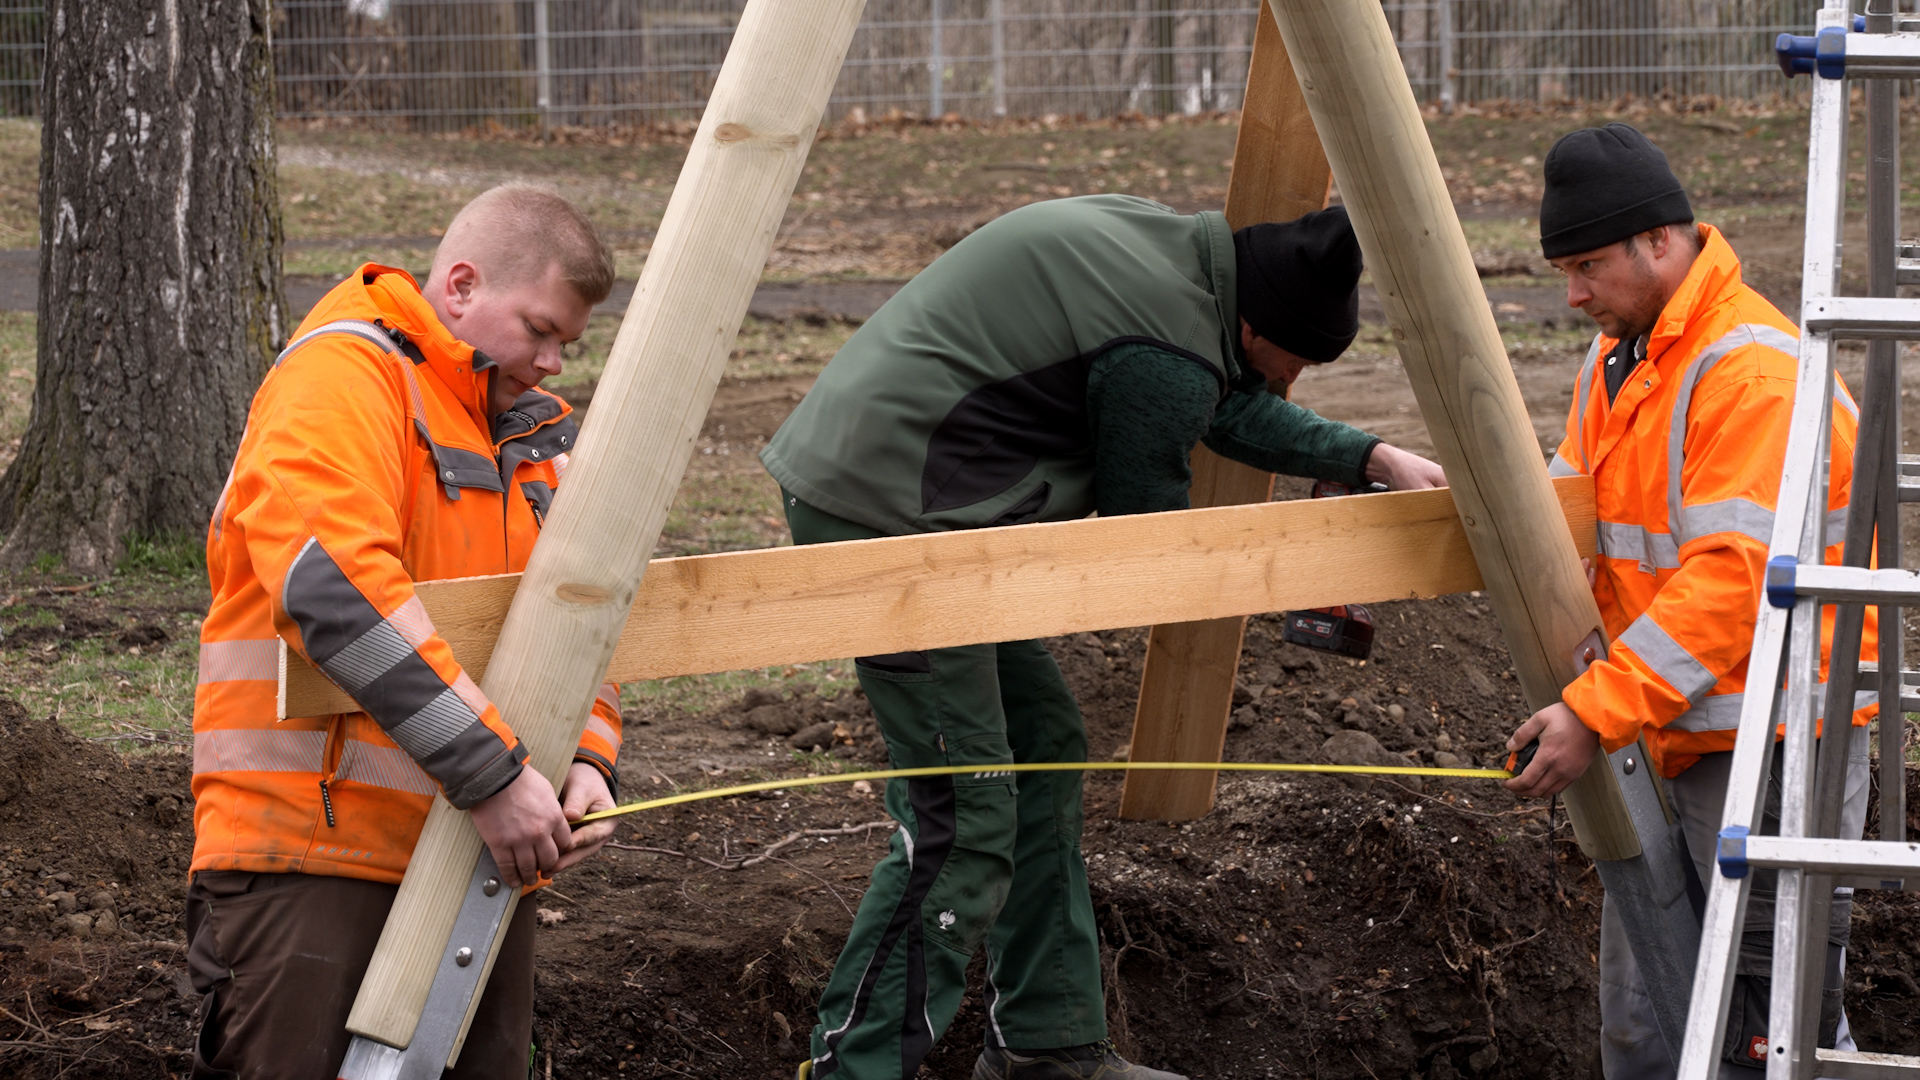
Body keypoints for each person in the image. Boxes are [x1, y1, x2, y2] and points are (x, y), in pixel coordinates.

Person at [760, 195, 1446, 1080]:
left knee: (1044, 744)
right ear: (1255, 325)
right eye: (1293, 363)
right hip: (891, 516)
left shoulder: (1176, 267)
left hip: (933, 501)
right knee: (967, 813)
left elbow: (1215, 403)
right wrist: (1302, 576)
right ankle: (857, 1070)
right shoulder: (1164, 349)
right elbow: (1144, 545)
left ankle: (1047, 1048)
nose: (1288, 382)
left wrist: (1367, 456)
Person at [186, 184, 626, 1079]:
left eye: (566, 345)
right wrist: (495, 774)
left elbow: (580, 610)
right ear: (459, 285)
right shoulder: (343, 378)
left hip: (478, 850)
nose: (551, 362)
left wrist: (585, 755)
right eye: (538, 330)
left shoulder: (531, 434)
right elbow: (336, 591)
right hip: (312, 850)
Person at [1501, 124, 1877, 1078]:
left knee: (1766, 1032)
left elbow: (1732, 582)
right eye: (1564, 270)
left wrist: (1594, 709)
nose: (1573, 295)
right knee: (1649, 1023)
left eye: (1587, 265)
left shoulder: (1746, 372)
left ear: (1660, 241)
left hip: (1774, 743)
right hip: (1668, 730)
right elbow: (1567, 513)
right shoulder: (1620, 360)